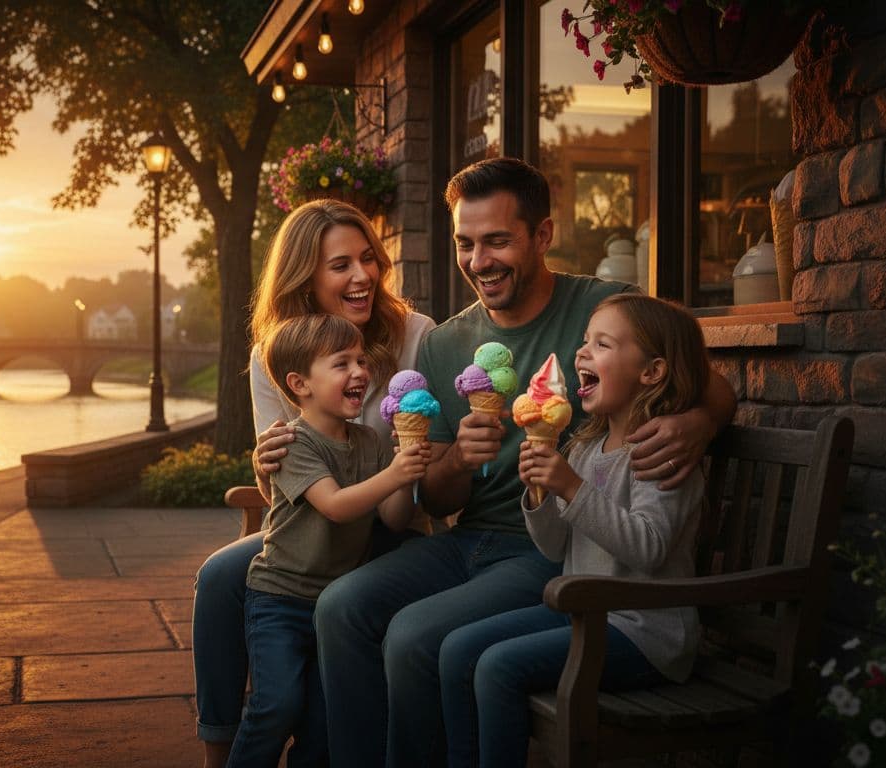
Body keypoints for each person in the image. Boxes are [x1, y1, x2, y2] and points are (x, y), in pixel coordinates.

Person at [313, 157, 737, 767]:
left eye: (497, 241)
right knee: (341, 608)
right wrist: (457, 458)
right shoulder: (445, 342)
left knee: (414, 638)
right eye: (465, 243)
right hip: (469, 539)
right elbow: (436, 501)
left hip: (547, 551)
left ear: (542, 236)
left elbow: (707, 382)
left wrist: (698, 422)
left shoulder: (602, 311)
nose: (478, 261)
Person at [192, 199, 436, 768]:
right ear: (306, 277)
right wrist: (263, 462)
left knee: (314, 692)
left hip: (386, 529)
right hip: (317, 526)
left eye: (368, 259)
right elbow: (282, 461)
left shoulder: (415, 335)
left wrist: (411, 464)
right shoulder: (273, 355)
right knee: (220, 576)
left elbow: (410, 490)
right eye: (340, 265)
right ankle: (222, 747)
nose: (362, 275)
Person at [438, 293, 709, 767]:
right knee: (457, 649)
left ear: (652, 371)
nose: (582, 353)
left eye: (601, 344)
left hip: (645, 633)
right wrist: (540, 494)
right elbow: (554, 546)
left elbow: (649, 548)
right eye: (584, 342)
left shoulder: (659, 453)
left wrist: (571, 486)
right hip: (587, 617)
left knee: (498, 668)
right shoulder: (586, 446)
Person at [228, 313, 430, 768]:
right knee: (275, 707)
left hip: (330, 609)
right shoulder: (292, 443)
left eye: (361, 360)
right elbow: (336, 505)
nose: (360, 371)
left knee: (321, 724)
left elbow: (394, 520)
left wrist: (405, 473)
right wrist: (393, 475)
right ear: (301, 384)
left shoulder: (370, 443)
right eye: (342, 364)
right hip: (278, 600)